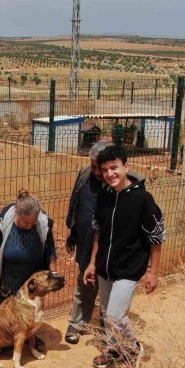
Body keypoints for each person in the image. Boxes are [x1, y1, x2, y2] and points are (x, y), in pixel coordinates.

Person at [84, 145, 165, 368]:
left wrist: (153, 272)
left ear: (126, 167)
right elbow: (98, 233)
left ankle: (132, 349)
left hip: (129, 268)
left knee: (115, 316)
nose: (110, 173)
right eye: (106, 169)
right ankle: (114, 348)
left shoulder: (142, 199)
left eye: (115, 168)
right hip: (105, 267)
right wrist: (92, 263)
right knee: (108, 311)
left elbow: (156, 238)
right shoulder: (104, 197)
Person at [64, 141, 145, 344]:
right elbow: (76, 202)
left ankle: (108, 329)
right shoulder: (85, 174)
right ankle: (77, 324)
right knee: (85, 283)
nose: (96, 171)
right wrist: (73, 232)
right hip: (87, 241)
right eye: (93, 166)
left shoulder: (129, 181)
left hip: (113, 247)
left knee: (110, 289)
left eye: (98, 166)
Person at [0, 190, 58, 347]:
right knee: (5, 315)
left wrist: (53, 274)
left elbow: (50, 250)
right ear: (17, 213)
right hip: (5, 277)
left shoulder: (44, 224)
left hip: (31, 279)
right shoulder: (1, 221)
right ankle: (5, 339)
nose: (30, 226)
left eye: (33, 223)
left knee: (31, 310)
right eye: (26, 223)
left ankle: (30, 337)